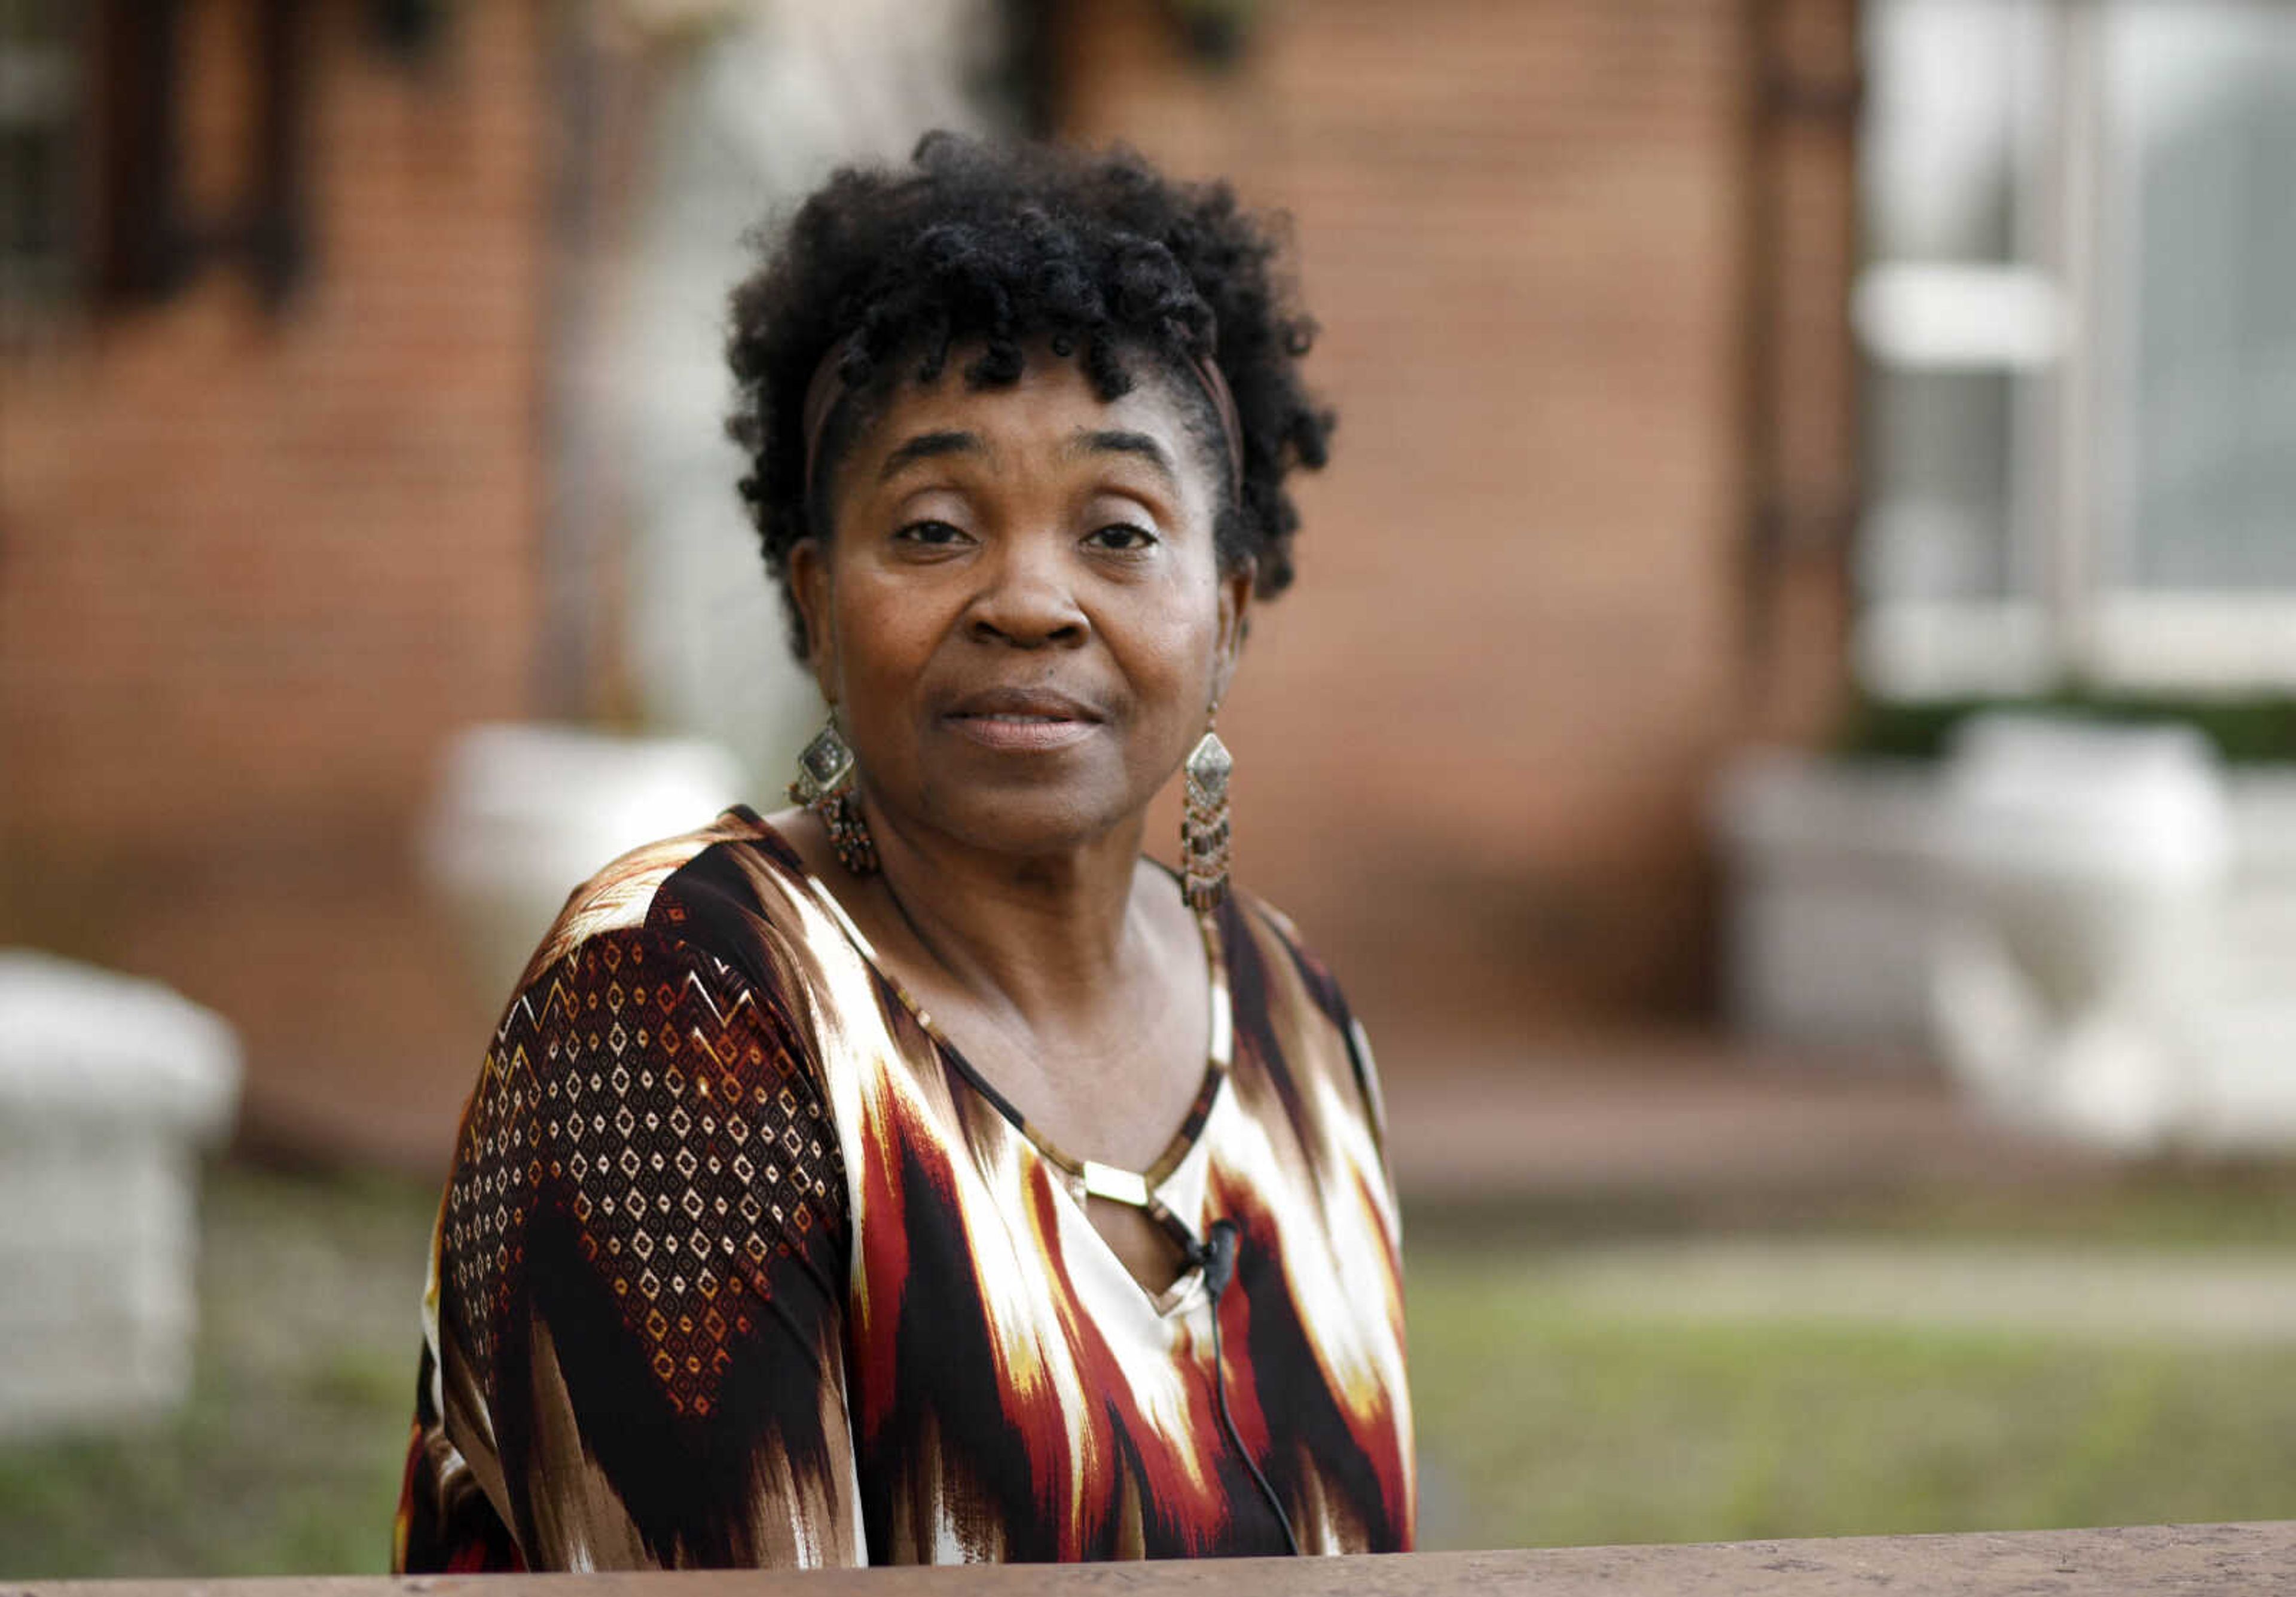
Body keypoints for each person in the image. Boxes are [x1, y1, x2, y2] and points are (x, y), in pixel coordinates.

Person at [393, 131, 1414, 1571]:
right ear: (816, 604)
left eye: (1119, 534)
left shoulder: (1297, 1020)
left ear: (1230, 614)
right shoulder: (677, 1010)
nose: (1029, 602)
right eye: (934, 530)